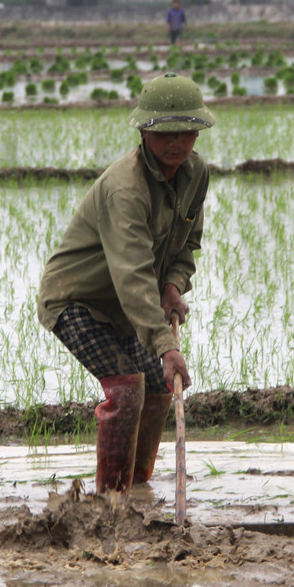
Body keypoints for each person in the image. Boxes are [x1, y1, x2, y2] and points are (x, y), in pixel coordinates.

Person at [38, 72, 215, 493]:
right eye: (165, 133)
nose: (176, 142)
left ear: (198, 132)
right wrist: (167, 347)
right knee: (127, 389)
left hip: (127, 305)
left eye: (185, 131)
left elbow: (187, 242)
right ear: (143, 132)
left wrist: (173, 284)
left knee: (156, 387)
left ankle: (137, 489)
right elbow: (133, 275)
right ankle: (112, 500)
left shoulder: (195, 174)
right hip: (77, 300)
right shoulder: (125, 190)